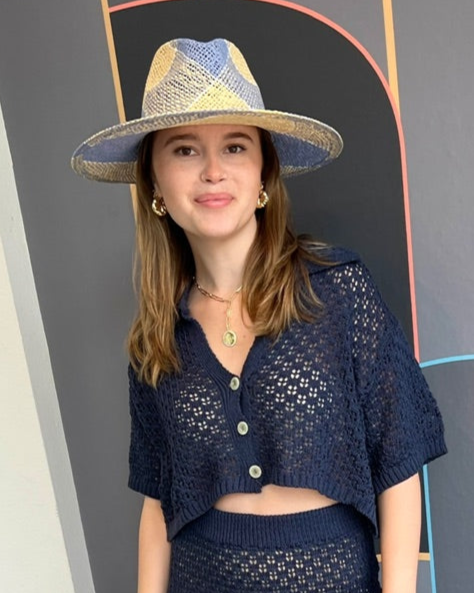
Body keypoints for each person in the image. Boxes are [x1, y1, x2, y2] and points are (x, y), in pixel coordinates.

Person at [72, 38, 447, 593]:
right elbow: (158, 501)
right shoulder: (158, 333)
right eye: (184, 150)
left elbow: (399, 462)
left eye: (235, 147)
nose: (213, 172)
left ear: (264, 172)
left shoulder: (335, 293)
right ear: (153, 182)